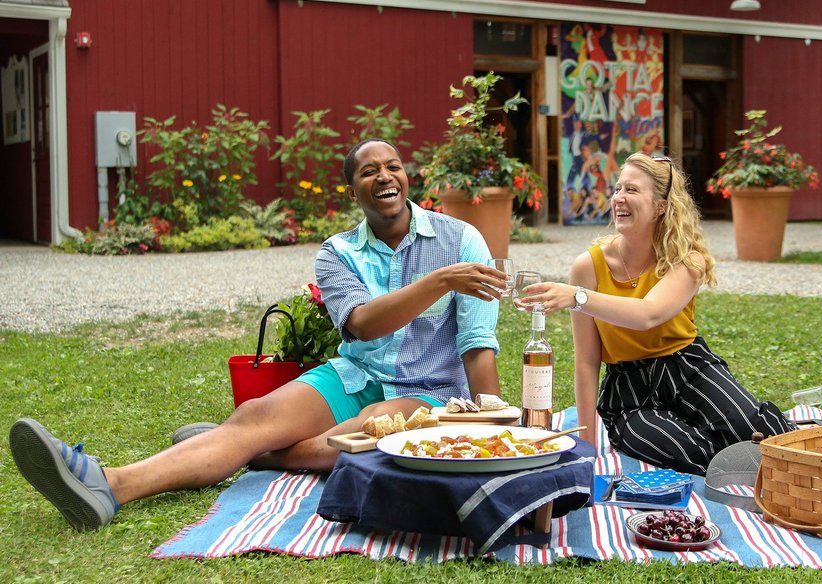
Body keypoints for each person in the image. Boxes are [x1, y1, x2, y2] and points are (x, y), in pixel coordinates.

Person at [9, 138, 508, 531]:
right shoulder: (337, 254)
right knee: (252, 415)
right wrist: (438, 281)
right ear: (351, 191)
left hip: (431, 391)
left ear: (407, 176)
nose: (385, 175)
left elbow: (477, 344)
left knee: (371, 431)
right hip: (357, 373)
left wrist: (503, 432)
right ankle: (110, 485)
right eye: (368, 170)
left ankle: (254, 452)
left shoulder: (462, 240)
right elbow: (362, 324)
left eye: (393, 165)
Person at [519, 152, 793, 475]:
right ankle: (738, 465)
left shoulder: (687, 259)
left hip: (689, 368)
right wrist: (588, 449)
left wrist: (577, 297)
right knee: (689, 450)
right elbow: (587, 361)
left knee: (757, 430)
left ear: (660, 206)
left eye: (631, 190)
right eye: (618, 189)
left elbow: (648, 313)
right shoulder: (588, 267)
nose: (618, 198)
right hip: (629, 391)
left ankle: (784, 457)